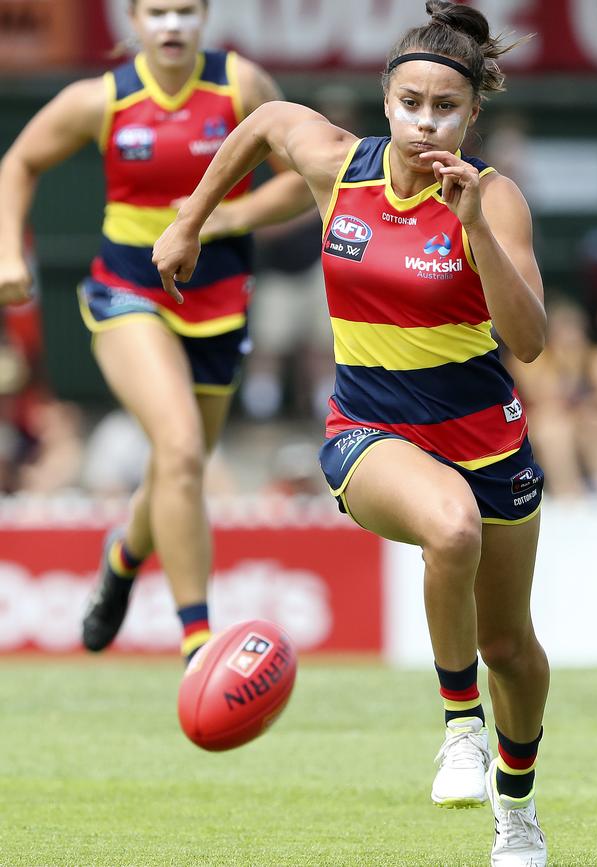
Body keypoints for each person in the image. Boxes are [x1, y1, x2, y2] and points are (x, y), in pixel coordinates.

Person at [154, 2, 551, 864]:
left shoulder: (497, 198)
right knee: (450, 526)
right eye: (410, 103)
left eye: (445, 108)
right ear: (386, 102)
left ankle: (516, 808)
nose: (425, 123)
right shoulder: (341, 168)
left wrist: (475, 222)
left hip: (490, 445)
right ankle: (459, 726)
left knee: (512, 648)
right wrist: (191, 217)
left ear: (471, 114)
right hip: (370, 430)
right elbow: (261, 122)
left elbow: (528, 340)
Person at [0, 0, 312, 664]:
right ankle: (198, 639)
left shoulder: (241, 86)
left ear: (205, 18)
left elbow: (303, 183)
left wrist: (222, 218)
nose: (171, 24)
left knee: (183, 465)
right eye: (156, 11)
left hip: (220, 298)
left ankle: (122, 554)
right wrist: (6, 254)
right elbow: (18, 163)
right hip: (128, 291)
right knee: (176, 444)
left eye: (185, 11)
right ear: (132, 23)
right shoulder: (102, 99)